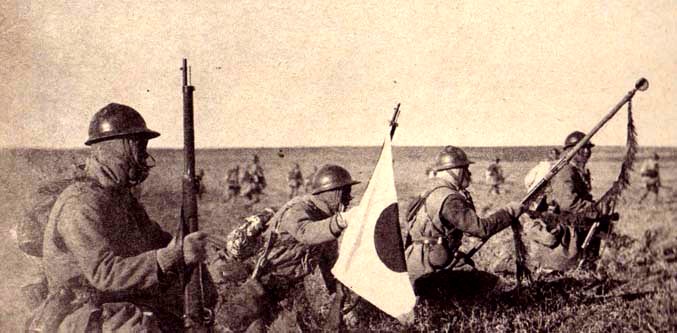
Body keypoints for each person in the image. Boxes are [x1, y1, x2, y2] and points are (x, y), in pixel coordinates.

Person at [31, 103, 213, 332]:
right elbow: (104, 273)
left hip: (117, 304)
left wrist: (184, 233)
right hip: (84, 311)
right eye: (137, 147)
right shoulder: (80, 203)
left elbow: (156, 240)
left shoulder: (118, 198)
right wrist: (172, 256)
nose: (143, 156)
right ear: (114, 149)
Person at [225, 164, 359, 332]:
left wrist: (339, 297)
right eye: (345, 193)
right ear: (333, 193)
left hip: (290, 286)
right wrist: (341, 220)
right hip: (260, 282)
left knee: (301, 327)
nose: (348, 199)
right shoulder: (299, 209)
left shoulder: (325, 222)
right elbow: (306, 233)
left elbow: (329, 264)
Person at [404, 146, 524, 297]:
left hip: (414, 268)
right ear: (456, 171)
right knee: (493, 285)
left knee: (467, 268)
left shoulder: (427, 191)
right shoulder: (449, 198)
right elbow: (481, 229)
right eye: (466, 169)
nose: (469, 173)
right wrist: (509, 212)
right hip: (430, 272)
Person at [523, 131, 614, 272]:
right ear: (571, 150)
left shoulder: (576, 170)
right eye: (582, 148)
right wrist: (596, 209)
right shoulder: (565, 171)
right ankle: (572, 268)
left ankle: (587, 267)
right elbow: (569, 203)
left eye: (588, 148)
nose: (587, 152)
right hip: (561, 223)